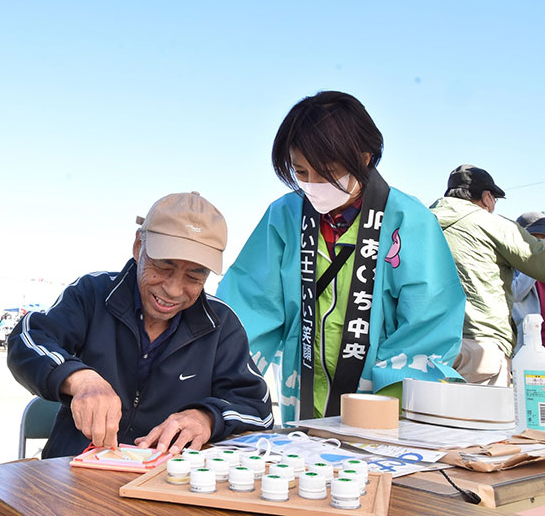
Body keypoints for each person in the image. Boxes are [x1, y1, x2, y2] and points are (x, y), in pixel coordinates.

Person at [218, 91, 466, 423]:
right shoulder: (284, 217)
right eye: (301, 172)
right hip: (302, 404)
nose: (313, 184)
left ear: (364, 158)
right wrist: (221, 385)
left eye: (328, 171)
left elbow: (430, 321)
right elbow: (248, 307)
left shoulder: (409, 220)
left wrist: (385, 408)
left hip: (382, 413)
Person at [7, 192, 273, 458]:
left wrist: (207, 417)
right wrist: (79, 379)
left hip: (170, 483)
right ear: (138, 246)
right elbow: (27, 339)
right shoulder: (92, 293)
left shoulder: (221, 324)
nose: (173, 290)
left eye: (195, 275)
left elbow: (258, 410)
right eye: (163, 266)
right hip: (71, 473)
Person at [430, 166, 545, 384]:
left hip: (424, 346)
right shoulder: (493, 224)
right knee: (481, 417)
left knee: (427, 416)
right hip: (480, 345)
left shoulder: (422, 221)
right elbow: (540, 261)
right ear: (486, 198)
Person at [512, 212, 545, 350]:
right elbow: (515, 294)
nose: (541, 243)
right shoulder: (512, 265)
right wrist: (533, 262)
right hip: (529, 349)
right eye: (536, 238)